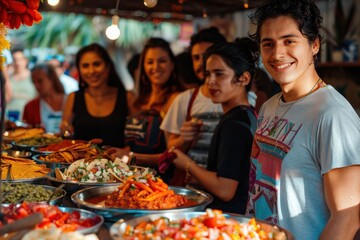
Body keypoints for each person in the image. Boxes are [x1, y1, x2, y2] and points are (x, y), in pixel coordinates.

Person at [245, 0, 360, 239]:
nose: (277, 54)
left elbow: (347, 217)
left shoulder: (332, 116)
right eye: (268, 44)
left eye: (289, 41)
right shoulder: (268, 107)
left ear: (314, 45)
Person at [171, 38, 258, 214]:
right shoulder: (247, 115)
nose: (210, 81)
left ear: (243, 78)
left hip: (228, 216)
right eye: (208, 74)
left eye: (219, 74)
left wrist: (188, 165)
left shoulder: (234, 125)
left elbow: (225, 190)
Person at [108, 38, 184, 172]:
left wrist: (131, 156)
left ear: (172, 64)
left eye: (162, 61)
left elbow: (174, 155)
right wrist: (118, 151)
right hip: (131, 176)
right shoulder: (139, 100)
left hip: (159, 180)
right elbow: (134, 144)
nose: (155, 67)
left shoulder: (176, 99)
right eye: (150, 62)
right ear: (143, 66)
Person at [160, 27, 226, 177]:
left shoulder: (244, 98)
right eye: (195, 58)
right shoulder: (184, 99)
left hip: (228, 187)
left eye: (206, 56)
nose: (200, 63)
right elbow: (170, 150)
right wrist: (184, 139)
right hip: (191, 189)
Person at [60, 43, 131, 147]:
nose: (91, 71)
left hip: (117, 163)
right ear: (79, 70)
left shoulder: (128, 97)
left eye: (97, 64)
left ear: (107, 66)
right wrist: (65, 130)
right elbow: (66, 136)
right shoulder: (73, 98)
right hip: (80, 162)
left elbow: (137, 140)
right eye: (85, 66)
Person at [22, 63, 65, 133]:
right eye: (34, 82)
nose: (36, 86)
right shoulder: (30, 107)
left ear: (51, 78)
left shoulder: (70, 101)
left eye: (40, 81)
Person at [6, 47, 37, 121]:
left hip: (28, 117)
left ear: (26, 61)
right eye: (15, 60)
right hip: (9, 117)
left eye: (20, 59)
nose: (17, 63)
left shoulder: (34, 77)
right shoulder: (7, 78)